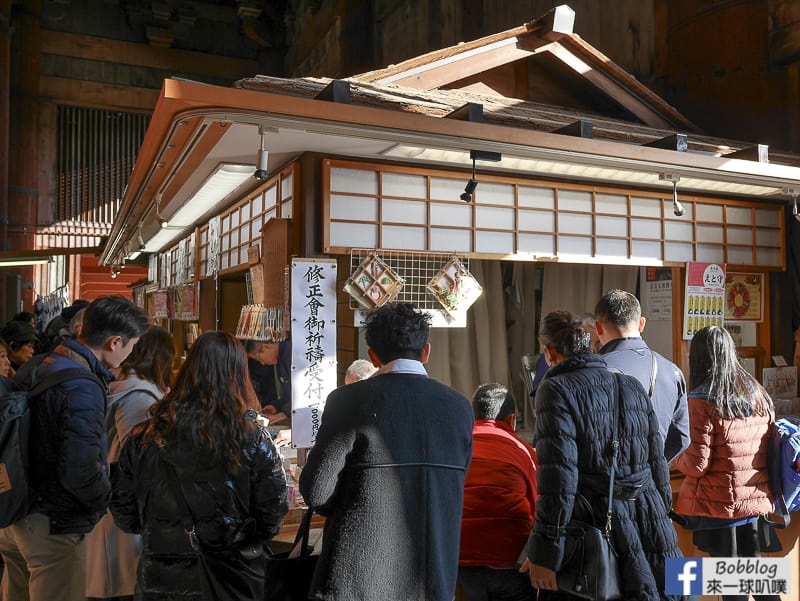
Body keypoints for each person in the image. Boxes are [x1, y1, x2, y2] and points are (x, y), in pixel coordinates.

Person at [299, 302, 473, 601]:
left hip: (355, 580)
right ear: (426, 351)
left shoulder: (349, 400)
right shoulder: (459, 407)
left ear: (373, 356)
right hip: (431, 582)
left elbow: (316, 492)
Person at [110, 331, 288, 601]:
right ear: (238, 375)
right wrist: (239, 537)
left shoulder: (143, 437)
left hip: (161, 577)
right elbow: (273, 514)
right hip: (232, 575)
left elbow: (124, 511)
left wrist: (161, 532)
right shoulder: (251, 438)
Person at [519, 310, 684, 600]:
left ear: (548, 352)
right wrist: (661, 515)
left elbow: (558, 480)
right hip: (652, 519)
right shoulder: (630, 384)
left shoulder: (555, 390)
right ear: (590, 344)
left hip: (596, 525)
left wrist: (544, 552)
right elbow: (658, 463)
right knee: (672, 591)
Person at [0, 296, 149, 601]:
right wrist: (102, 501)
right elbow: (79, 469)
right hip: (51, 522)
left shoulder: (43, 361)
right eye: (132, 345)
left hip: (15, 509)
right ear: (115, 341)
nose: (130, 354)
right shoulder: (82, 385)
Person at [672, 326, 779, 601]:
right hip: (754, 504)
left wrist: (670, 456)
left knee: (731, 589)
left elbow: (696, 464)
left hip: (719, 508)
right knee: (759, 582)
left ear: (698, 358)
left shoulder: (700, 400)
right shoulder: (756, 393)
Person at [86, 326, 176, 601]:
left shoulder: (122, 384)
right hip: (125, 504)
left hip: (111, 498)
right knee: (121, 583)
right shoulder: (139, 394)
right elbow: (139, 457)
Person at [459, 383, 537, 601]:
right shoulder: (523, 449)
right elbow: (538, 504)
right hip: (511, 560)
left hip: (464, 557)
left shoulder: (457, 446)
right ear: (511, 419)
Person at [595, 289, 690, 461]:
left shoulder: (591, 372)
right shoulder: (671, 371)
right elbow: (682, 438)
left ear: (598, 327)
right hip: (654, 482)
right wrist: (654, 465)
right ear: (641, 324)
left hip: (606, 482)